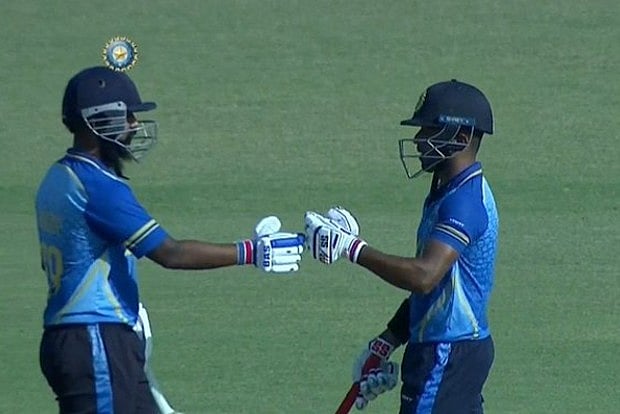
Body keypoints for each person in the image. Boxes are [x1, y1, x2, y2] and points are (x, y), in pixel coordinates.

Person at [35, 66, 304, 414]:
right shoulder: (99, 187)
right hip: (96, 340)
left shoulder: (57, 177)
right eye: (127, 116)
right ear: (98, 120)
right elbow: (170, 253)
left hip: (80, 337)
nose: (134, 125)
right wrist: (252, 251)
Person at [305, 79, 499, 413]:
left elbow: (424, 276)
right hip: (451, 350)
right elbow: (438, 290)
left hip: (445, 355)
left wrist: (351, 248)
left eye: (429, 130)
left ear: (461, 138)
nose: (419, 140)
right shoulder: (447, 191)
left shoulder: (464, 203)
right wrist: (388, 340)